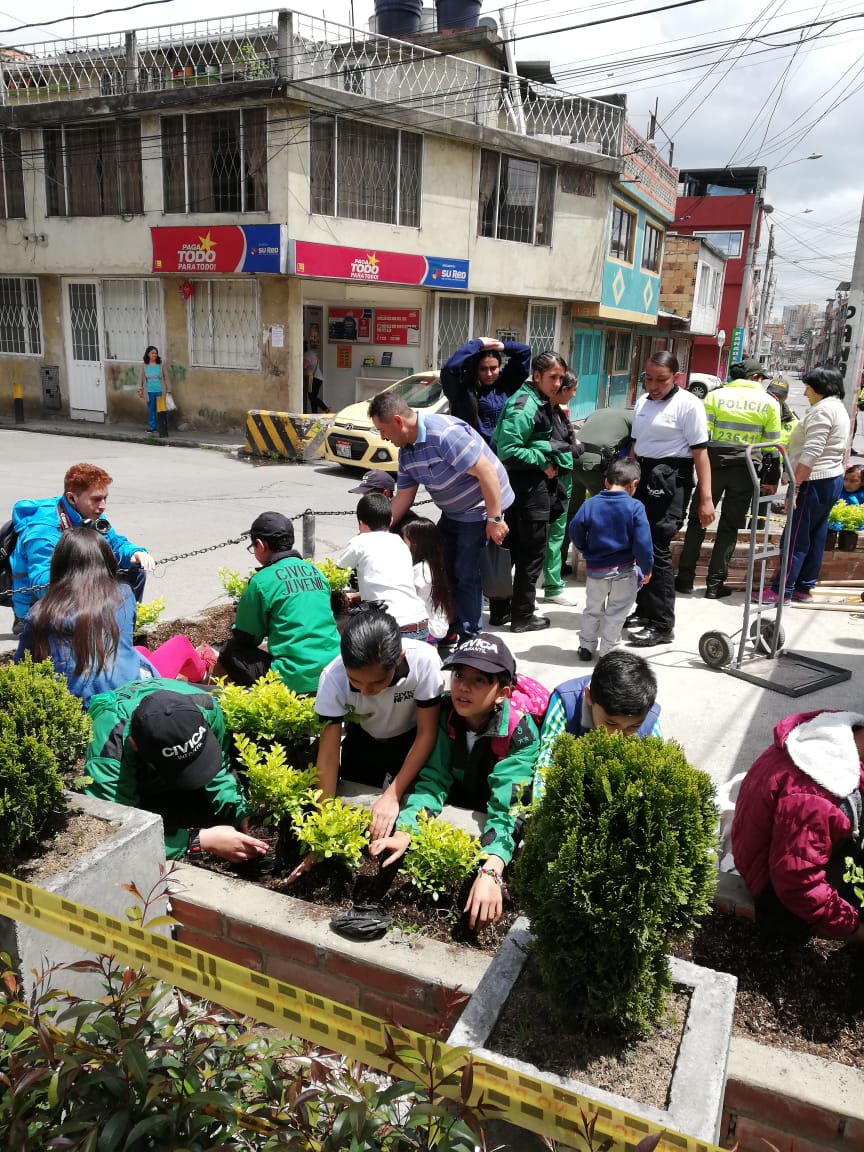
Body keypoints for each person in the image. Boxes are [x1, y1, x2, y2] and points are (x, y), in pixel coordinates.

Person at [369, 633, 541, 931]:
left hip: (488, 807)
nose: (463, 686)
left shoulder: (519, 733)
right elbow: (433, 781)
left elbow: (509, 811)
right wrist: (406, 831)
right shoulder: (446, 714)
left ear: (503, 693)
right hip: (460, 800)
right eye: (459, 674)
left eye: (479, 680)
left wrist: (492, 869)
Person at [368, 393, 513, 644]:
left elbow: (487, 472)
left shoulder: (444, 435)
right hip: (453, 512)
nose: (383, 438)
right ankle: (450, 626)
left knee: (466, 572)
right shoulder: (406, 453)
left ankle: (470, 638)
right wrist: (378, 532)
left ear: (397, 421)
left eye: (382, 430)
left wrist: (495, 518)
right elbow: (404, 496)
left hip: (480, 507)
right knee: (441, 566)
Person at [84, 678, 268, 863]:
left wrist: (239, 809)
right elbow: (115, 831)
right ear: (135, 745)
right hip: (134, 776)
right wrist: (199, 840)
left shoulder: (205, 707)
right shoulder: (110, 753)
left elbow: (219, 765)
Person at [308, 603, 443, 851]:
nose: (367, 691)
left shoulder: (424, 661)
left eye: (378, 681)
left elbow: (427, 733)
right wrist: (323, 825)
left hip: (412, 741)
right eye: (355, 681)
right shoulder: (333, 677)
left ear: (399, 658)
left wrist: (392, 795)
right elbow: (327, 756)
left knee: (411, 809)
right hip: (364, 738)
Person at [730, 710, 864, 943]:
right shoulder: (819, 795)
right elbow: (797, 884)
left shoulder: (841, 735)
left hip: (779, 849)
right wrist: (852, 928)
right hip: (774, 886)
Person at [15, 526, 160, 708]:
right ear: (105, 560)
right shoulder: (123, 594)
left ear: (58, 565)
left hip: (75, 704)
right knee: (171, 648)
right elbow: (124, 643)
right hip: (127, 694)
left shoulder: (40, 612)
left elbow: (22, 664)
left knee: (141, 653)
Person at [675, 356, 781, 599]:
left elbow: (702, 434)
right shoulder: (769, 402)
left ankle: (684, 580)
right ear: (755, 377)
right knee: (730, 527)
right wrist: (772, 478)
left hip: (712, 466)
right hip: (746, 469)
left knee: (697, 521)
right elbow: (773, 445)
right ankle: (714, 585)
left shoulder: (715, 396)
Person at [627, 352, 714, 647]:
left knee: (658, 548)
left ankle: (662, 625)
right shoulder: (643, 402)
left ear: (676, 377)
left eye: (661, 380)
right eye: (648, 378)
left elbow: (701, 454)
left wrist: (706, 498)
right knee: (639, 544)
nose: (653, 385)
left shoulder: (688, 405)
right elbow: (636, 447)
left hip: (672, 478)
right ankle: (644, 609)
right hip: (642, 475)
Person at [10, 463, 154, 636]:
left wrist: (134, 553)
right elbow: (43, 585)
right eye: (96, 499)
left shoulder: (88, 513)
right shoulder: (43, 530)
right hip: (37, 601)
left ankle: (121, 634)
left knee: (135, 571)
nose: (103, 506)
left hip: (75, 582)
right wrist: (90, 580)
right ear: (72, 498)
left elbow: (115, 544)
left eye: (105, 498)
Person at [755, 368, 850, 606]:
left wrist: (795, 486)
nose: (806, 392)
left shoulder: (824, 410)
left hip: (814, 480)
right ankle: (803, 587)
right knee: (815, 534)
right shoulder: (837, 407)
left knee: (796, 537)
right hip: (828, 478)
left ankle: (781, 590)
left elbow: (812, 452)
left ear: (821, 388)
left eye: (809, 387)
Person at [218, 512, 340, 692]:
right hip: (334, 672)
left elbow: (246, 637)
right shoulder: (316, 572)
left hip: (293, 679)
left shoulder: (262, 581)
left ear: (260, 545)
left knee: (230, 650)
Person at [491, 351, 569, 632]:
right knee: (529, 554)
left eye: (561, 377)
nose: (558, 383)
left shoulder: (538, 400)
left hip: (521, 487)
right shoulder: (524, 404)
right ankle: (522, 616)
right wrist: (544, 462)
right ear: (536, 376)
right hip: (525, 488)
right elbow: (507, 449)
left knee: (511, 552)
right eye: (553, 377)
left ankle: (501, 611)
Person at [534, 650, 662, 791]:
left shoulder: (649, 718)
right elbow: (547, 761)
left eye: (633, 727)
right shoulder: (565, 701)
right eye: (611, 723)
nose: (617, 736)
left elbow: (658, 773)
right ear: (588, 696)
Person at [569, 458, 653, 662]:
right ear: (633, 484)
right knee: (617, 613)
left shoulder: (590, 504)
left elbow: (574, 529)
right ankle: (608, 651)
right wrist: (646, 567)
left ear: (606, 481)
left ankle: (586, 646)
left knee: (592, 609)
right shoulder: (635, 506)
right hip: (624, 570)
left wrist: (585, 549)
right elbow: (643, 542)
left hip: (596, 570)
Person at [338, 494, 429, 639]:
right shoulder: (400, 543)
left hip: (389, 628)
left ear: (361, 524)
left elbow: (337, 569)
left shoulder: (360, 541)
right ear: (391, 520)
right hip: (419, 624)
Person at [560, 406, 635, 576]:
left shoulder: (599, 411)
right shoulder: (636, 417)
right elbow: (633, 451)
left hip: (572, 459)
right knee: (608, 513)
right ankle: (606, 565)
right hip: (595, 464)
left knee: (570, 514)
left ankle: (558, 565)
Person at [440, 336, 532, 444]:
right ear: (475, 369)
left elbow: (524, 352)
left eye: (493, 368)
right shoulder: (464, 390)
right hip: (472, 453)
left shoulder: (506, 384)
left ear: (499, 367)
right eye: (483, 369)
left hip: (501, 455)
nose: (489, 374)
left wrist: (500, 346)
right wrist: (477, 344)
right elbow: (449, 369)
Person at [542, 370, 582, 602]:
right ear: (563, 389)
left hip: (562, 479)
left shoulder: (557, 412)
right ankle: (550, 586)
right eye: (573, 389)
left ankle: (553, 585)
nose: (575, 394)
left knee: (556, 535)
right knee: (545, 535)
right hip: (550, 481)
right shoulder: (542, 413)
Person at [399, 517, 454, 643]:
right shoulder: (432, 564)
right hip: (439, 626)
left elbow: (407, 597)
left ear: (416, 544)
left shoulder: (420, 569)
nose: (402, 544)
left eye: (405, 540)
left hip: (430, 629)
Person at [138, 345, 166, 434]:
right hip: (149, 392)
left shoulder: (161, 365)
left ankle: (161, 427)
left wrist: (169, 390)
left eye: (156, 353)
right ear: (148, 354)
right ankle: (152, 427)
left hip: (160, 391)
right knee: (152, 410)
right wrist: (140, 389)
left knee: (161, 410)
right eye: (152, 353)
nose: (154, 355)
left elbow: (167, 378)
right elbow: (140, 378)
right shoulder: (144, 366)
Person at [766, 377, 799, 446]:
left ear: (785, 397)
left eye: (779, 396)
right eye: (771, 395)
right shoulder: (756, 413)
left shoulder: (793, 420)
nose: (775, 399)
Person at [303, 340, 327, 413]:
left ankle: (326, 409)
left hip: (314, 378)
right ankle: (315, 414)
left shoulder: (307, 355)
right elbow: (317, 359)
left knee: (312, 397)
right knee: (313, 397)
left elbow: (305, 366)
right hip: (317, 378)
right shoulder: (312, 353)